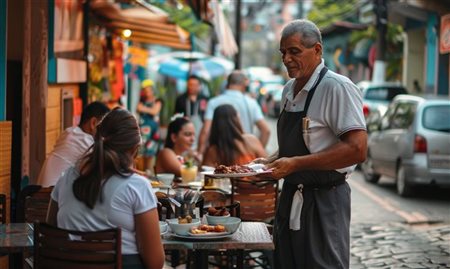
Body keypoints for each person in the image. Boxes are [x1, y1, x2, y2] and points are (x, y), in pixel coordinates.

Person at [262, 19, 367, 269]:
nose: (286, 59)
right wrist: (270, 162)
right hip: (290, 197)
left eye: (294, 51)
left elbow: (357, 149)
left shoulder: (337, 87)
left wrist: (295, 163)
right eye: (283, 52)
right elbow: (302, 141)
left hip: (324, 202)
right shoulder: (289, 89)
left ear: (317, 50)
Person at [47, 108, 165, 269]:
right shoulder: (136, 185)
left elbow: (51, 234)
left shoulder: (66, 177)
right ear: (135, 148)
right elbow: (155, 263)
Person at [36, 101, 110, 187]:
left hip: (43, 193)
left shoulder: (70, 133)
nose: (106, 135)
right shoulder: (83, 141)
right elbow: (107, 166)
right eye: (106, 128)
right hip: (50, 195)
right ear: (93, 123)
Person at [197, 70, 271, 155]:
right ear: (244, 84)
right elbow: (266, 131)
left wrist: (200, 153)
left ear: (227, 84)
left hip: (219, 155)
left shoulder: (214, 102)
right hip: (245, 157)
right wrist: (256, 152)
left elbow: (206, 131)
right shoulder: (251, 103)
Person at [136, 79, 162, 171]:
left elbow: (155, 111)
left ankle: (149, 173)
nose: (147, 92)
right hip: (143, 132)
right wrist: (147, 109)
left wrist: (144, 109)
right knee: (141, 154)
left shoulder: (158, 100)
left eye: (149, 90)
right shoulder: (141, 101)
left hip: (153, 133)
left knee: (151, 154)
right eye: (145, 90)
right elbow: (138, 109)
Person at [175, 75, 208, 145]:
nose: (192, 87)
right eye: (190, 84)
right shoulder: (181, 99)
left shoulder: (204, 99)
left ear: (199, 86)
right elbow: (176, 116)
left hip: (201, 132)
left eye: (195, 85)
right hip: (185, 132)